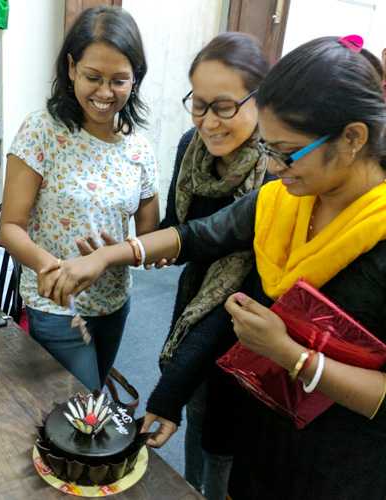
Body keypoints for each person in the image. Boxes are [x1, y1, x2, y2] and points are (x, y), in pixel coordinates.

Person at [41, 35, 386, 499]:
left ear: (352, 138)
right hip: (261, 434)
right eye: (270, 149)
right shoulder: (282, 199)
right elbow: (197, 234)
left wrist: (290, 355)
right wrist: (107, 255)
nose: (276, 166)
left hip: (341, 464)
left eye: (287, 152)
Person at [0, 6, 159, 391]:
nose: (105, 93)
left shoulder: (138, 147)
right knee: (78, 410)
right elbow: (10, 225)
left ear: (135, 79)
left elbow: (150, 235)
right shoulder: (42, 131)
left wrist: (117, 252)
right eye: (93, 77)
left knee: (92, 401)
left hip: (114, 301)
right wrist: (54, 268)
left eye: (119, 80)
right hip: (57, 303)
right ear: (71, 68)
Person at [141, 32, 270, 500]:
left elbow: (241, 283)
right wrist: (139, 247)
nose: (209, 122)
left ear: (260, 100)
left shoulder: (278, 175)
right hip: (196, 304)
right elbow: (182, 233)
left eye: (224, 106)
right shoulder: (189, 147)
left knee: (229, 435)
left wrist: (167, 392)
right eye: (198, 105)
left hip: (249, 322)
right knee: (196, 411)